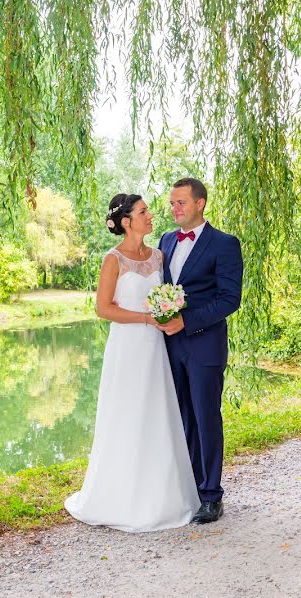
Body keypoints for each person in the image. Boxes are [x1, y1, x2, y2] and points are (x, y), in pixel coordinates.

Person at [65, 193, 200, 532]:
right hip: (127, 347)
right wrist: (145, 319)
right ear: (127, 222)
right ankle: (118, 497)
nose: (151, 215)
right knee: (126, 414)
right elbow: (103, 308)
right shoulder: (113, 260)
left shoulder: (158, 256)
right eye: (143, 212)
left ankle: (165, 495)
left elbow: (166, 296)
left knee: (157, 413)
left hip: (156, 348)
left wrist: (169, 310)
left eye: (149, 211)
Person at [156, 177, 243, 524]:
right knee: (181, 418)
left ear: (200, 203)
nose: (175, 209)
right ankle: (189, 487)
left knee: (206, 417)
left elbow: (229, 299)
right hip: (167, 346)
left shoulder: (224, 244)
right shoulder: (165, 240)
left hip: (204, 344)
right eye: (172, 203)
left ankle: (211, 496)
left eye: (181, 203)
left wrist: (187, 322)